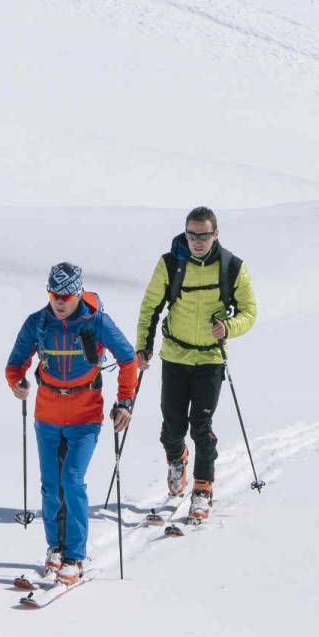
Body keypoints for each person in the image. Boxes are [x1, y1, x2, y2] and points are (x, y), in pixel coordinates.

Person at [5, 262, 137, 584]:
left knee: (72, 479)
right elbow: (14, 364)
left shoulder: (96, 322)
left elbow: (128, 358)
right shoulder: (37, 323)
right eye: (54, 294)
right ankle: (55, 547)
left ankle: (75, 556)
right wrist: (17, 383)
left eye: (66, 295)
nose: (60, 302)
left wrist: (124, 402)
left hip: (85, 415)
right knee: (51, 485)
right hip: (47, 414)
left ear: (78, 293)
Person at [135, 206, 257, 523]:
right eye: (192, 234)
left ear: (215, 234)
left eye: (204, 235)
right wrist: (143, 347)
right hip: (175, 356)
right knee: (173, 427)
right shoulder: (170, 263)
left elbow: (249, 311)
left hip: (210, 358)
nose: (197, 241)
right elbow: (150, 307)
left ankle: (202, 491)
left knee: (202, 427)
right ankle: (177, 459)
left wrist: (228, 328)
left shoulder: (231, 267)